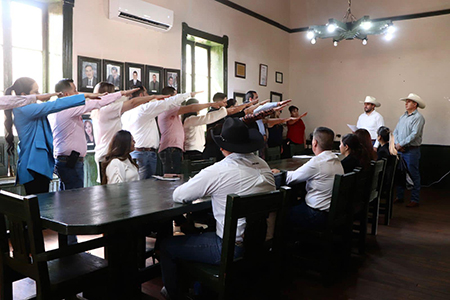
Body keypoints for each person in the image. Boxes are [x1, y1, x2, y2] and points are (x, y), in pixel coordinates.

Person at [160, 117, 275, 299]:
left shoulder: (219, 170)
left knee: (166, 245)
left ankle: (174, 293)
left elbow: (179, 195)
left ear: (222, 147)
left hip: (231, 247)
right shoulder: (264, 165)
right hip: (261, 242)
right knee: (199, 231)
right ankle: (199, 286)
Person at [48, 79, 137, 191]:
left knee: (68, 197)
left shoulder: (57, 108)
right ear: (66, 94)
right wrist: (121, 94)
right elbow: (97, 102)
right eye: (75, 91)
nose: (78, 94)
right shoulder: (69, 108)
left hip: (68, 160)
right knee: (74, 198)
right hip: (70, 161)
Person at [5, 77, 85, 195]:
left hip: (38, 166)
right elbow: (54, 105)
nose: (39, 95)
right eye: (36, 92)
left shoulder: (28, 109)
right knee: (39, 205)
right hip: (34, 167)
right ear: (23, 95)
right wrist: (85, 97)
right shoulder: (25, 109)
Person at [121, 86, 202, 179]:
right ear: (141, 95)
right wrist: (189, 95)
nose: (149, 95)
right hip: (144, 154)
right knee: (145, 186)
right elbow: (167, 104)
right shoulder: (143, 109)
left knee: (143, 185)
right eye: (146, 93)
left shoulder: (126, 113)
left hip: (139, 152)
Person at [91, 82, 166, 181]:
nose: (115, 96)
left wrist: (126, 94)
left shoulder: (97, 110)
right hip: (109, 154)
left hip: (105, 153)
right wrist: (153, 97)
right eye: (113, 93)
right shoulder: (107, 109)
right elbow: (132, 103)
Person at [272, 127, 343, 230]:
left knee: (282, 213)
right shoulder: (336, 160)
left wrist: (280, 172)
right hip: (331, 210)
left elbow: (290, 179)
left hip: (317, 214)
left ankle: (288, 244)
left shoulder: (317, 162)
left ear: (314, 143)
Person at [157, 87, 224, 175]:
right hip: (174, 149)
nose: (178, 100)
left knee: (176, 176)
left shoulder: (176, 114)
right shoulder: (168, 110)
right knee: (173, 177)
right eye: (175, 96)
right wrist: (211, 105)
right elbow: (195, 110)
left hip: (176, 149)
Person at [393, 93, 426, 208]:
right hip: (401, 150)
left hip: (411, 150)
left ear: (415, 104)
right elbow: (396, 131)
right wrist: (397, 144)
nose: (406, 104)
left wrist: (400, 144)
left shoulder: (418, 118)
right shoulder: (403, 116)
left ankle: (415, 199)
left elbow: (415, 134)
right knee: (400, 174)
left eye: (408, 101)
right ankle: (400, 196)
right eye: (406, 101)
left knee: (413, 174)